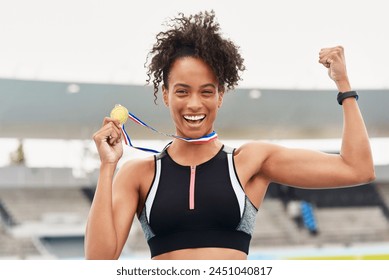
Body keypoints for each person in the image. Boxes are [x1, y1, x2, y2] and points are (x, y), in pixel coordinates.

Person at [84, 10, 375, 260]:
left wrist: (343, 84)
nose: (194, 104)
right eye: (182, 91)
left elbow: (357, 168)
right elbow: (99, 259)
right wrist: (107, 166)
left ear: (220, 96)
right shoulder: (138, 174)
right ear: (166, 94)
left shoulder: (251, 162)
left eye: (207, 91)